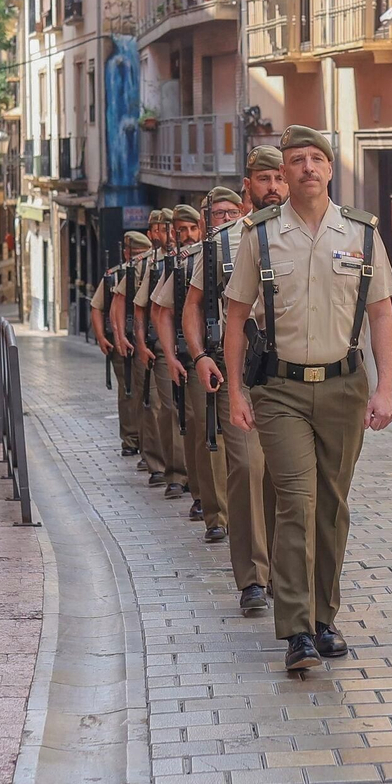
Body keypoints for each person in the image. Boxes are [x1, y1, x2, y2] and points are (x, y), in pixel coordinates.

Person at [222, 125, 392, 671]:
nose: (306, 169)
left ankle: (325, 619)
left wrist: (386, 386)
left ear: (329, 168)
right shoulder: (261, 234)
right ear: (285, 172)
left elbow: (382, 313)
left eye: (315, 159)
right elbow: (234, 315)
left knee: (332, 506)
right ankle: (297, 630)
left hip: (345, 385)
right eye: (296, 160)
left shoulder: (363, 233)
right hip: (279, 389)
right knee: (295, 502)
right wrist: (235, 391)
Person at [182, 185, 275, 611]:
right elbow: (187, 305)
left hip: (295, 376)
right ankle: (254, 577)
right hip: (238, 370)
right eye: (264, 176)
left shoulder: (321, 233)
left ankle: (286, 569)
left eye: (280, 174)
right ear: (248, 189)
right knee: (247, 468)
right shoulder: (221, 243)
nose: (274, 185)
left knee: (286, 479)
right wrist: (198, 354)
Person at [153, 203, 230, 544]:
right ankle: (214, 511)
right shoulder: (190, 260)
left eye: (232, 213)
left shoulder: (257, 246)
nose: (226, 220)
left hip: (250, 361)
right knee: (207, 432)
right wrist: (172, 355)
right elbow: (162, 310)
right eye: (219, 215)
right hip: (205, 359)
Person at [134, 209, 189, 499]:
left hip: (200, 350)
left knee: (194, 417)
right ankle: (175, 473)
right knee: (168, 410)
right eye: (174, 230)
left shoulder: (200, 257)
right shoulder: (154, 265)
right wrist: (141, 344)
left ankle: (196, 476)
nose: (175, 236)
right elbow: (142, 306)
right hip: (167, 349)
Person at [114, 212, 172, 484]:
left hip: (182, 344)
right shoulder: (143, 265)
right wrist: (123, 337)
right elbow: (122, 302)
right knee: (150, 403)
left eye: (169, 228)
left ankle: (180, 471)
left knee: (177, 410)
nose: (167, 234)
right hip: (151, 343)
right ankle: (158, 465)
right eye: (160, 228)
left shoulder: (191, 258)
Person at [94, 232, 153, 456]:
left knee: (146, 394)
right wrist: (102, 337)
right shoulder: (115, 275)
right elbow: (98, 307)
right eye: (135, 254)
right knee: (128, 391)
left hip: (146, 339)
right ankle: (130, 439)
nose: (139, 258)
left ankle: (147, 441)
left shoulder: (152, 268)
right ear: (126, 253)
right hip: (122, 342)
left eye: (143, 254)